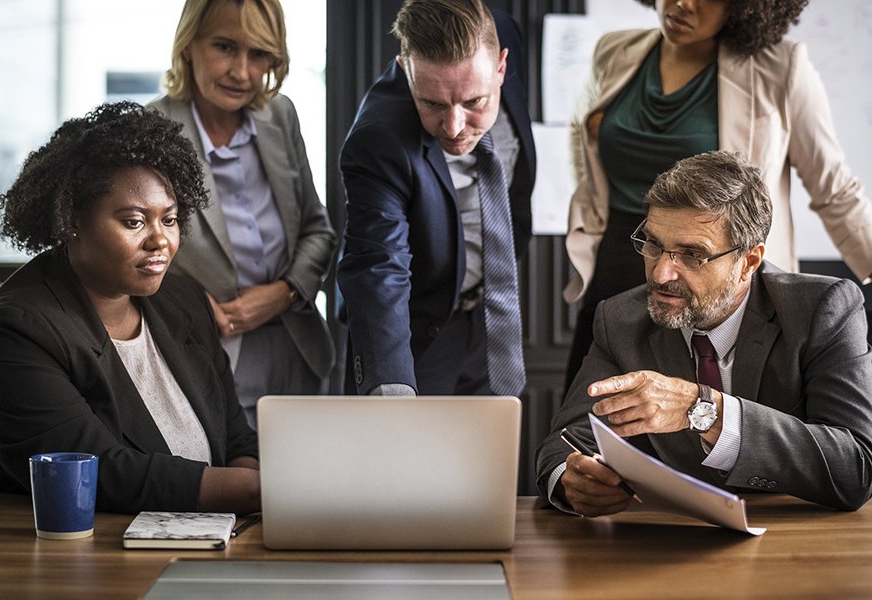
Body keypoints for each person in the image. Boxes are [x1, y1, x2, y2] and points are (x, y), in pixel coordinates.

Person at [537, 150, 872, 515]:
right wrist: (572, 480)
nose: (661, 274)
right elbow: (565, 441)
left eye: (693, 255)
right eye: (653, 245)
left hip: (797, 541)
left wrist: (707, 411)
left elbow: (855, 467)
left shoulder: (821, 309)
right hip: (668, 542)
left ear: (749, 262)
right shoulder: (619, 318)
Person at [562, 0, 872, 391]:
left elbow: (835, 191)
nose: (682, 3)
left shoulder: (780, 67)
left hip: (716, 275)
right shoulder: (615, 50)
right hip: (622, 262)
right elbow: (584, 136)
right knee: (592, 416)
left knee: (713, 424)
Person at [0, 102, 260, 515]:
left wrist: (246, 513)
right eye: (134, 222)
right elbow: (102, 475)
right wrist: (255, 493)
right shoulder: (15, 332)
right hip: (81, 557)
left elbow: (236, 440)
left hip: (208, 540)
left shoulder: (185, 301)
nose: (160, 241)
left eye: (170, 219)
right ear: (72, 219)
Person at [150, 0, 336, 426]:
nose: (243, 72)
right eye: (225, 47)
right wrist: (196, 303)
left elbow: (318, 229)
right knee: (237, 488)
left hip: (299, 350)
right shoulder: (153, 129)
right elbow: (133, 256)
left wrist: (285, 291)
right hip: (205, 353)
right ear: (190, 44)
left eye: (259, 54)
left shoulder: (280, 113)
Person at [338, 0, 536, 397]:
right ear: (406, 70)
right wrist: (391, 386)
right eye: (433, 104)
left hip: (492, 317)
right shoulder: (379, 138)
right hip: (416, 334)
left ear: (501, 66)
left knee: (489, 455)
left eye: (474, 102)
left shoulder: (502, 31)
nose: (454, 127)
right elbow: (379, 266)